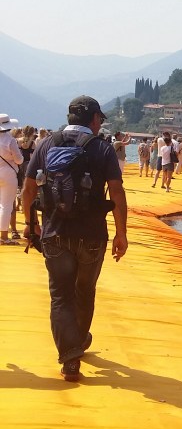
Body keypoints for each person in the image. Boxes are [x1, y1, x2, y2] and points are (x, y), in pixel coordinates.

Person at [21, 95, 128, 382]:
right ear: (94, 119)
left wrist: (31, 226)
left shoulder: (45, 144)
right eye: (100, 119)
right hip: (92, 237)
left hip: (55, 234)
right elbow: (117, 193)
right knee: (84, 291)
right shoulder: (102, 149)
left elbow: (28, 191)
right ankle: (78, 339)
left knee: (61, 295)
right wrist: (122, 233)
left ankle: (70, 355)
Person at [0, 114, 23, 244]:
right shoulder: (10, 140)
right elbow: (19, 160)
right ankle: (3, 236)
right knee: (6, 205)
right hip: (8, 173)